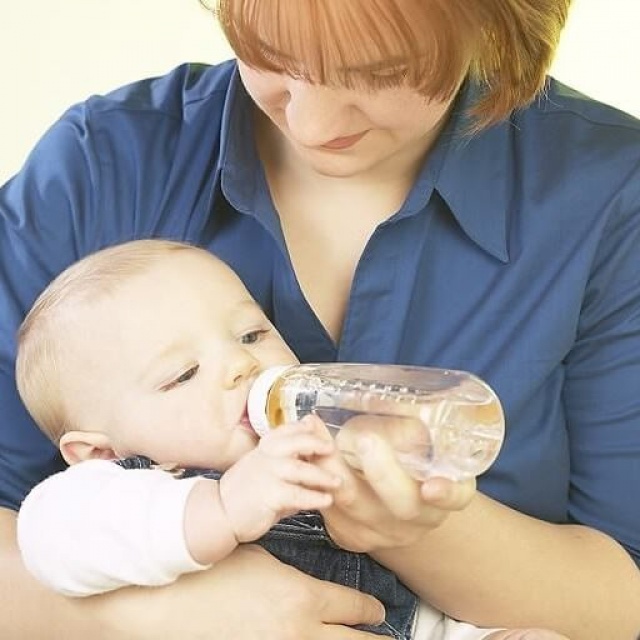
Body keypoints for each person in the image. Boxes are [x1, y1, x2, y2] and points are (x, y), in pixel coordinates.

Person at [0, 0, 639, 638]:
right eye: (271, 56)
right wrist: (152, 619)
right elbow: (47, 532)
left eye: (379, 70)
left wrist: (426, 531)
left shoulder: (608, 199)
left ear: (497, 28)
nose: (310, 122)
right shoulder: (103, 167)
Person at [15, 238, 567, 640]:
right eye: (183, 373)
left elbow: (406, 609)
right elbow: (48, 543)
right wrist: (224, 507)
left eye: (252, 334)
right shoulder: (110, 492)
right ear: (99, 451)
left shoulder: (325, 454)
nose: (241, 364)